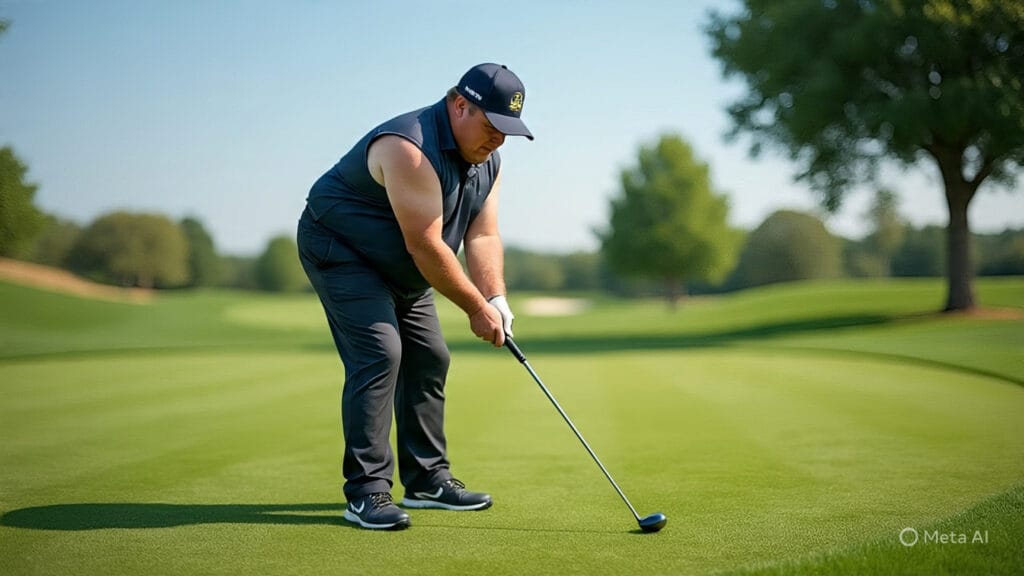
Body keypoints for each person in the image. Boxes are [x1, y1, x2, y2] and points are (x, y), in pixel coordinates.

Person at [296, 63, 533, 530]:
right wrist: (474, 308)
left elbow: (482, 236)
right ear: (459, 105)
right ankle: (366, 492)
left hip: (404, 264)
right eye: (491, 127)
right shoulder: (409, 147)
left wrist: (496, 298)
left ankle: (426, 480)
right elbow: (425, 244)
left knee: (429, 357)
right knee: (381, 353)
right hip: (342, 251)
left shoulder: (489, 162)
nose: (497, 141)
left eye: (507, 132)